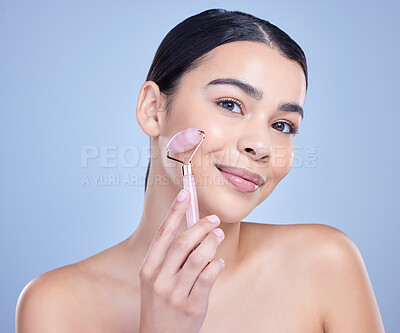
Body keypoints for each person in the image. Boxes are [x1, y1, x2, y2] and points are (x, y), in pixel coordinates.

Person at [16, 8, 385, 333]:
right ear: (152, 109)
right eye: (230, 103)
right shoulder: (56, 305)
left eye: (283, 125)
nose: (261, 145)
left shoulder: (325, 263)